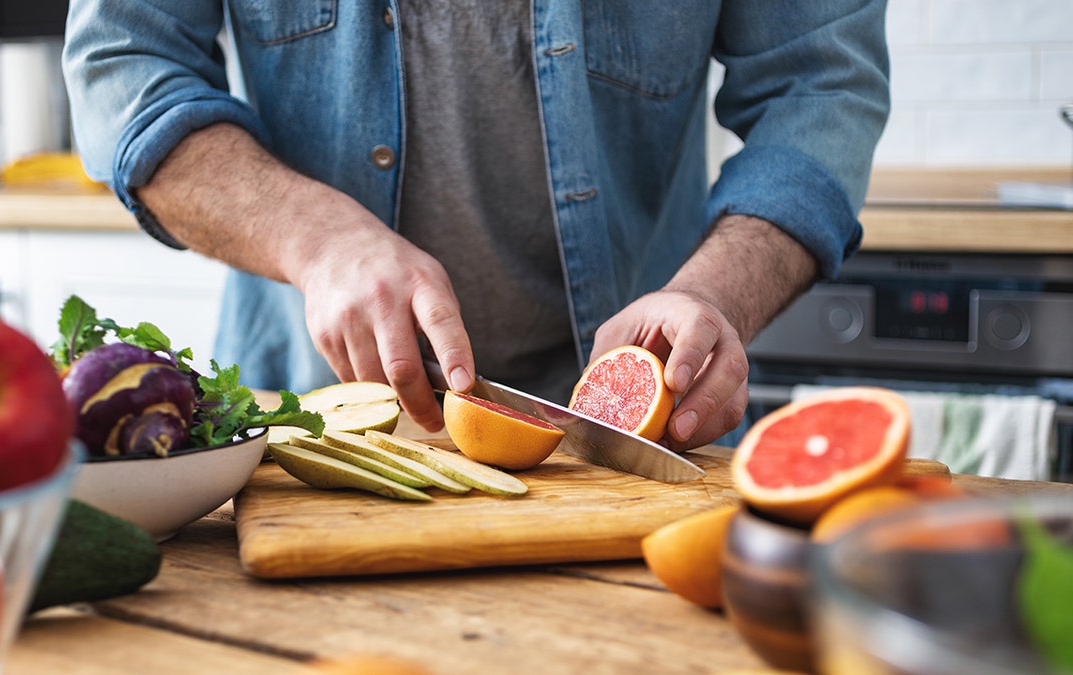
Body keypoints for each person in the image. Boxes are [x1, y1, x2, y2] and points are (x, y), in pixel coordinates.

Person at [62, 0, 890, 450]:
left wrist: (716, 292)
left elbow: (820, 85)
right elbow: (123, 65)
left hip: (644, 437)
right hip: (308, 430)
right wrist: (315, 237)